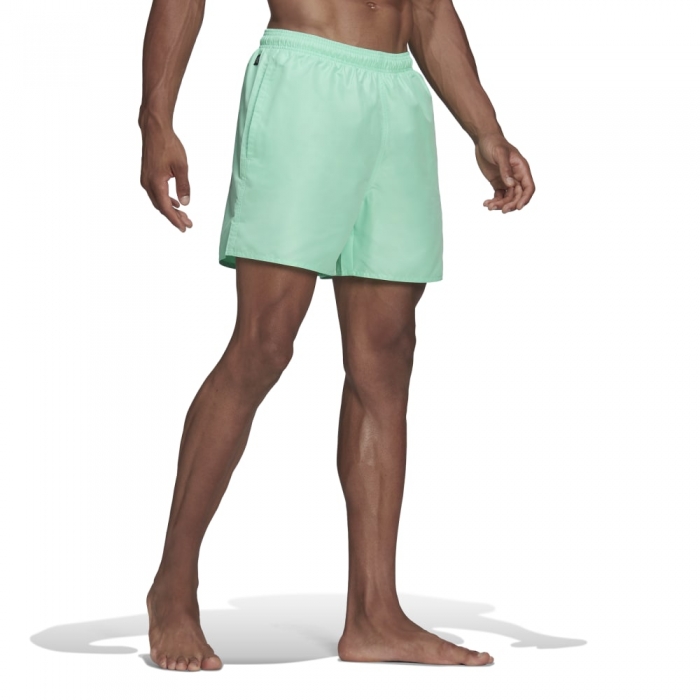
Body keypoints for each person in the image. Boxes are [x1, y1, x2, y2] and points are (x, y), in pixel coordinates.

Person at [138, 0, 535, 672]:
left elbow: (429, 9)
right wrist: (156, 120)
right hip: (305, 78)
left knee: (387, 356)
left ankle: (374, 614)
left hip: (398, 92)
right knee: (263, 344)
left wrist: (486, 130)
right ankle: (172, 589)